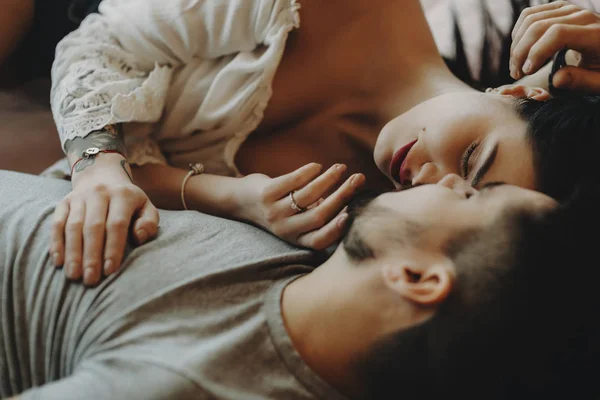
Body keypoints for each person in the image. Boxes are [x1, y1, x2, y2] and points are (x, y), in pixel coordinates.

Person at [48, 0, 600, 286]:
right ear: (519, 92)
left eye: (465, 196)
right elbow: (101, 44)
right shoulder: (344, 10)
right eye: (473, 158)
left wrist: (235, 199)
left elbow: (133, 188)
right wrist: (98, 165)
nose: (430, 183)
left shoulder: (342, 219)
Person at [0, 169, 597, 400]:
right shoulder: (307, 254)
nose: (445, 177)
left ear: (416, 277)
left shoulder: (184, 383)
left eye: (471, 194)